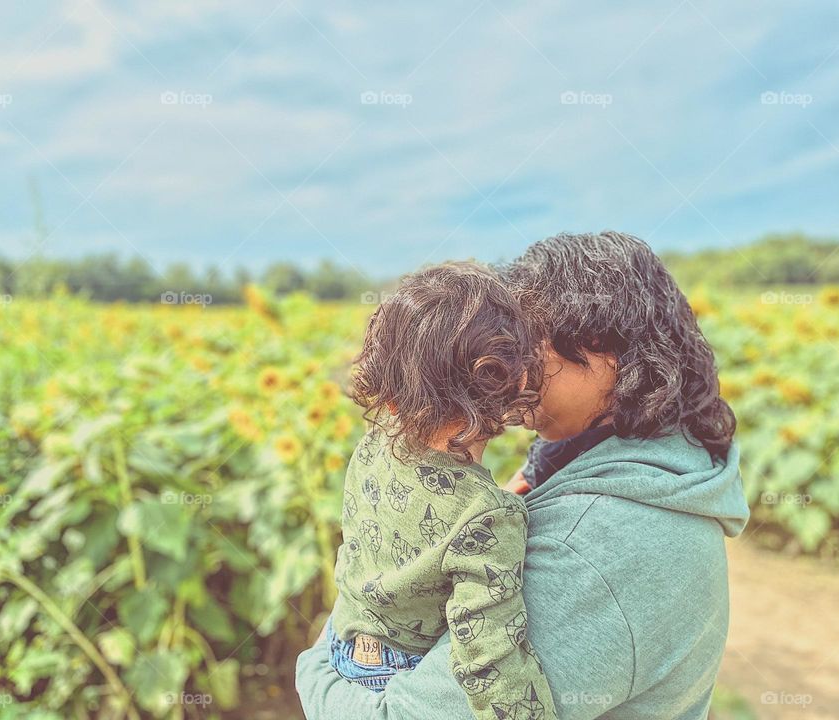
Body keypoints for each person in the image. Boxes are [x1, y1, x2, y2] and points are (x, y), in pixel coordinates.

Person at [296, 231, 750, 720]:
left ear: (605, 354)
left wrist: (315, 668)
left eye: (527, 344)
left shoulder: (591, 549)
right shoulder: (616, 464)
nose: (513, 369)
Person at [325, 261, 557, 720]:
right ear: (517, 381)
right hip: (399, 670)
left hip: (344, 643)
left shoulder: (377, 441)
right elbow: (489, 652)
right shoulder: (486, 516)